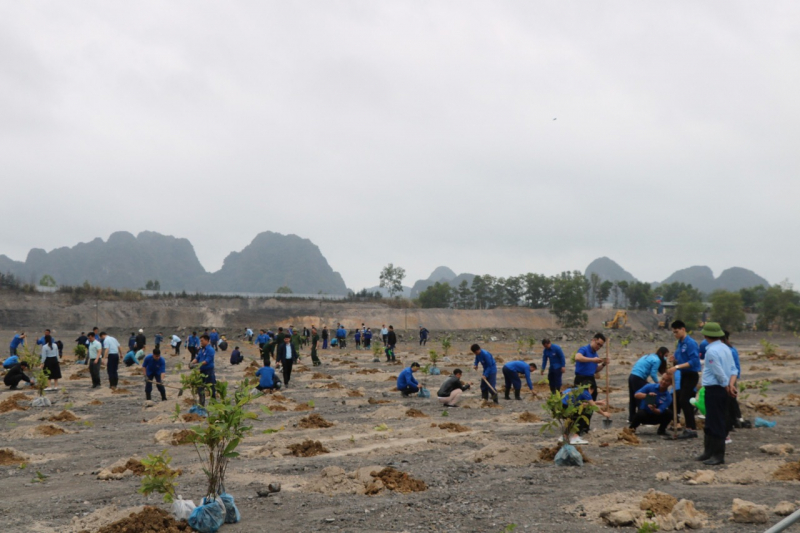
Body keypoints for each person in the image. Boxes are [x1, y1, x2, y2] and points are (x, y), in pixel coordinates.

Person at [695, 323, 738, 466]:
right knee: (711, 420)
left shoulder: (711, 351)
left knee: (716, 421)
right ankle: (708, 452)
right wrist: (731, 385)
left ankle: (718, 455)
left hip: (715, 388)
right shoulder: (726, 348)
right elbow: (733, 369)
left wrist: (726, 385)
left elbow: (718, 372)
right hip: (723, 387)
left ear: (705, 335)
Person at [668, 320, 701, 439]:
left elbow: (694, 361)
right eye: (673, 332)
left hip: (691, 375)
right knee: (686, 401)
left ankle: (690, 429)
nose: (675, 334)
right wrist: (674, 360)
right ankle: (691, 428)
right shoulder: (680, 343)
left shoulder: (690, 343)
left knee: (684, 400)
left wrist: (677, 367)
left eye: (676, 332)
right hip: (684, 375)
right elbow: (680, 359)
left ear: (683, 329)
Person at [628, 348, 669, 422]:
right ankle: (641, 418)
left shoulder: (650, 356)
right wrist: (658, 383)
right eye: (665, 356)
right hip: (638, 378)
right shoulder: (657, 360)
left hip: (632, 376)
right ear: (661, 353)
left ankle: (631, 418)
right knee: (642, 398)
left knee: (632, 399)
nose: (666, 358)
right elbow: (653, 374)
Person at [574, 333, 608, 401]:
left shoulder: (595, 355)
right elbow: (577, 357)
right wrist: (592, 360)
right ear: (593, 340)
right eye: (598, 344)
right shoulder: (584, 349)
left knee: (592, 399)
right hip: (581, 379)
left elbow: (595, 370)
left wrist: (604, 364)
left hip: (591, 379)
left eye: (601, 346)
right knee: (581, 401)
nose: (598, 347)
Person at [722, 330, 743, 443]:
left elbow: (735, 367)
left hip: (730, 380)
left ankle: (732, 423)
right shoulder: (730, 349)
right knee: (731, 402)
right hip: (729, 379)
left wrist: (732, 382)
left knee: (729, 402)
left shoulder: (730, 350)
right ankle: (735, 420)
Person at [191, 334, 216, 406]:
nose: (201, 342)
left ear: (207, 340)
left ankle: (214, 404)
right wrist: (192, 363)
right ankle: (202, 404)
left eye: (202, 341)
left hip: (209, 372)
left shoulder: (210, 350)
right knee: (200, 388)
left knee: (211, 388)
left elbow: (207, 361)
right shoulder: (201, 350)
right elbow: (197, 358)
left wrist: (197, 365)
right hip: (202, 372)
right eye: (200, 341)